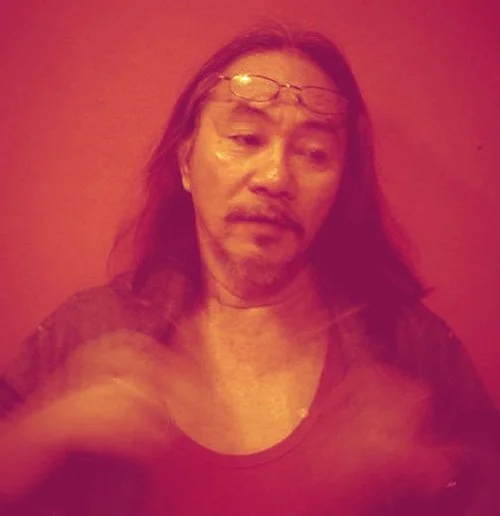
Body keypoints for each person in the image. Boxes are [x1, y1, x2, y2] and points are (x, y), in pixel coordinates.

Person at [0, 21, 499, 516]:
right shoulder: (87, 332)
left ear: (341, 187)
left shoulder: (412, 348)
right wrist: (46, 431)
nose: (276, 177)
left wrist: (430, 472)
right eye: (245, 137)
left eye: (314, 153)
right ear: (186, 163)